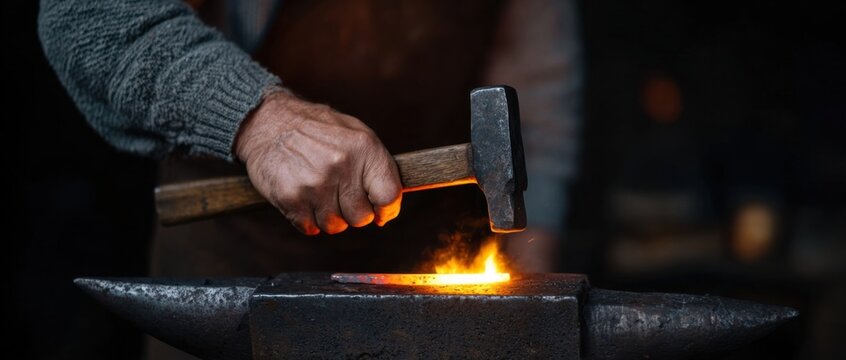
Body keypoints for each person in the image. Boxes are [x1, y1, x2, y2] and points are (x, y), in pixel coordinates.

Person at [39, 0, 582, 357]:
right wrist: (258, 121)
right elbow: (85, 17)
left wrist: (533, 271)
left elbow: (540, 87)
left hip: (422, 260)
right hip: (234, 260)